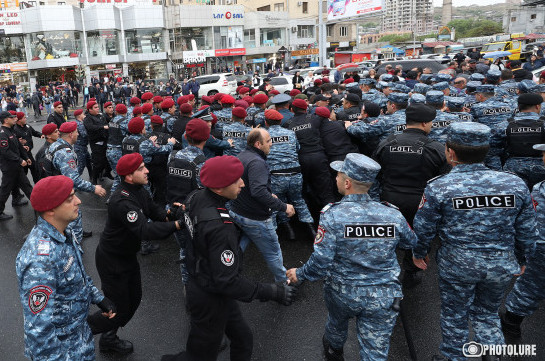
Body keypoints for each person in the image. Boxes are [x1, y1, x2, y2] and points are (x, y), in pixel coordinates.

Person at [412, 122, 539, 361]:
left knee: (454, 315)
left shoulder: (439, 186)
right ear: (487, 150)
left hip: (458, 264)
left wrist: (419, 253)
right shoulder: (514, 184)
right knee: (487, 314)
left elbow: (425, 226)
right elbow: (527, 230)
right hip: (501, 263)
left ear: (450, 152)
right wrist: (522, 259)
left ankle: (453, 357)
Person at [161, 156, 296, 361]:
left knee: (243, 338)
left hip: (208, 283)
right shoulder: (219, 227)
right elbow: (227, 280)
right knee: (200, 355)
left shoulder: (196, 196)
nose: (243, 183)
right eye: (236, 180)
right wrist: (272, 291)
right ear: (219, 188)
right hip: (209, 294)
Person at [286, 153, 418, 361]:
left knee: (336, 324)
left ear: (347, 183)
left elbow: (321, 262)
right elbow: (410, 242)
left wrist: (299, 274)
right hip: (383, 294)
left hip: (342, 291)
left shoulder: (333, 215)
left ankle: (334, 351)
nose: (335, 178)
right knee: (375, 350)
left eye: (338, 175)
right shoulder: (392, 214)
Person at [87, 153, 185, 354]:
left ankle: (108, 336)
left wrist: (169, 215)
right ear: (129, 176)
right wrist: (177, 225)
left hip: (127, 256)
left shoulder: (139, 190)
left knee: (134, 299)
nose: (147, 170)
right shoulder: (122, 201)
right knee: (117, 309)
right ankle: (81, 330)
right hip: (112, 260)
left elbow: (153, 211)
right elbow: (144, 231)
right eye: (141, 168)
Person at [16, 175, 116, 361]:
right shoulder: (40, 259)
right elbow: (38, 331)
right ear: (51, 209)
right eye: (70, 199)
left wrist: (98, 297)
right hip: (61, 349)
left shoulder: (64, 232)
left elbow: (76, 274)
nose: (78, 201)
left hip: (79, 337)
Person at [373, 103, 449, 288]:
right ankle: (411, 269)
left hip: (389, 199)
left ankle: (384, 272)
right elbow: (445, 181)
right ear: (424, 123)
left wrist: (375, 201)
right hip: (421, 201)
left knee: (387, 237)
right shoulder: (437, 148)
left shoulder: (386, 143)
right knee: (418, 235)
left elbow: (374, 174)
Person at [229, 128, 295, 282]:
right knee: (273, 252)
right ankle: (284, 283)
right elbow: (258, 192)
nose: (271, 144)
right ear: (258, 144)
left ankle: (229, 271)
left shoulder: (241, 156)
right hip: (256, 218)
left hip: (239, 212)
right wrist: (284, 206)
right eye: (269, 141)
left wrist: (267, 193)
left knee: (241, 242)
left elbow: (248, 185)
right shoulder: (257, 162)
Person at [501, 142, 545, 343]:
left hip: (541, 250)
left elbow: (530, 228)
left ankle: (511, 324)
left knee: (530, 287)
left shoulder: (540, 189)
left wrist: (521, 256)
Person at [47, 121, 107, 241]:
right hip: (61, 191)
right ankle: (75, 242)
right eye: (76, 132)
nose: (78, 134)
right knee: (73, 216)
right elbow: (73, 180)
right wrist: (94, 188)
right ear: (70, 134)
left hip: (54, 186)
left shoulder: (54, 145)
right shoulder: (66, 153)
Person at [265, 109, 315, 240]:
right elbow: (297, 148)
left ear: (266, 122)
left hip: (276, 175)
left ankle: (288, 231)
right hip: (295, 173)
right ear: (281, 121)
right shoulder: (290, 133)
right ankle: (311, 229)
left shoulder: (264, 135)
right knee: (299, 200)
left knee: (277, 203)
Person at [503, 93, 545, 189]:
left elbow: (494, 150)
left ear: (518, 107)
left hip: (513, 167)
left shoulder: (504, 124)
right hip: (541, 166)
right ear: (538, 106)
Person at [0, 111, 33, 221]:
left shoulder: (11, 130)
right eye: (11, 117)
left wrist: (26, 157)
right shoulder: (2, 133)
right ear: (5, 120)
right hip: (9, 167)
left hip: (17, 166)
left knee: (27, 186)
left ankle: (40, 205)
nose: (14, 118)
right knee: (5, 190)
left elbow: (19, 147)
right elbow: (5, 151)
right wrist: (19, 160)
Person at [83, 101, 109, 184]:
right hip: (96, 142)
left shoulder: (100, 116)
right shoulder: (87, 118)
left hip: (104, 141)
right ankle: (94, 180)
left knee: (106, 160)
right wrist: (102, 127)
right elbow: (91, 127)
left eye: (98, 107)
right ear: (90, 109)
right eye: (96, 107)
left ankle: (103, 174)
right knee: (97, 162)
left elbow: (106, 124)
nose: (98, 109)